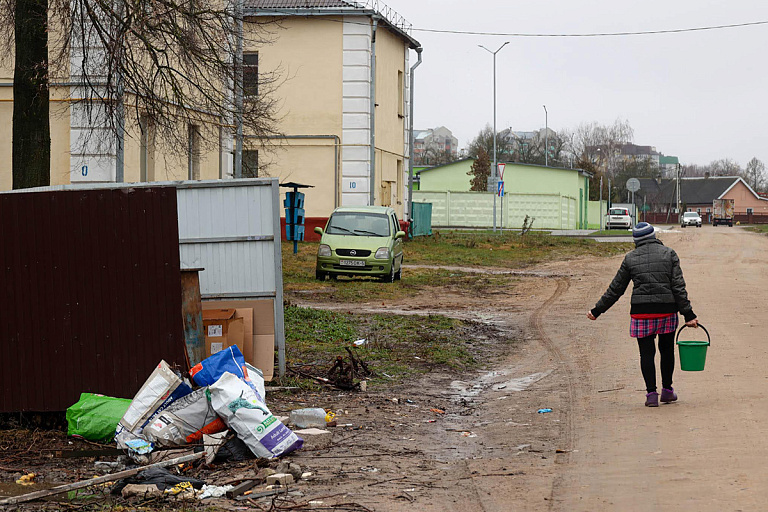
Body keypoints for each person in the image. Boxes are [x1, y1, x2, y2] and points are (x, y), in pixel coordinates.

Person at [586, 222, 698, 407]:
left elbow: (616, 289)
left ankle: (651, 394)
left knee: (646, 354)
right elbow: (678, 287)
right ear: (653, 236)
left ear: (636, 240)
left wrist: (597, 310)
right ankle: (667, 391)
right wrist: (688, 314)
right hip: (666, 311)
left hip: (641, 313)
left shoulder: (630, 258)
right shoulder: (669, 254)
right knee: (667, 350)